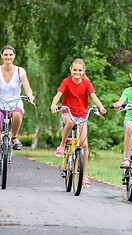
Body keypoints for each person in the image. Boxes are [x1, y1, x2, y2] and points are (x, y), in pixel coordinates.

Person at [50, 58, 107, 188]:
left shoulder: (86, 83)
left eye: (79, 70)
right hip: (68, 112)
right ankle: (62, 145)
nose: (77, 72)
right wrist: (54, 104)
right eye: (74, 70)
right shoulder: (66, 81)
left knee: (84, 145)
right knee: (69, 123)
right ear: (71, 70)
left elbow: (93, 96)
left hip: (82, 115)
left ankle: (84, 175)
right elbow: (59, 94)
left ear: (83, 71)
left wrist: (101, 107)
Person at [0, 45, 35, 174]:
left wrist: (30, 95)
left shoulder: (21, 71)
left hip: (14, 104)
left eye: (10, 55)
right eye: (6, 55)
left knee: (16, 115)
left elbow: (27, 88)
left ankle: (14, 137)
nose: (8, 57)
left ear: (14, 56)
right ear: (2, 56)